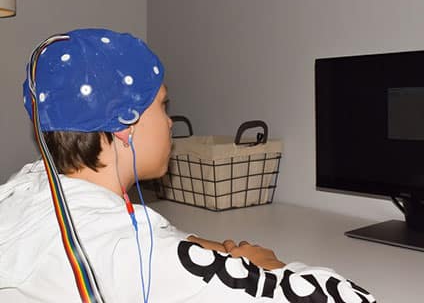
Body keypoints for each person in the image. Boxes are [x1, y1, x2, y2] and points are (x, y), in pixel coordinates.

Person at [0, 28, 376, 302]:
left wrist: (205, 250)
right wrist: (268, 268)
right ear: (123, 125)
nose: (168, 122)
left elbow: (143, 238)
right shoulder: (136, 259)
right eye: (162, 105)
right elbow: (349, 298)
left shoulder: (28, 187)